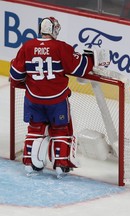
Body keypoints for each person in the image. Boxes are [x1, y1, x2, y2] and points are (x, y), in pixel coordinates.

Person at [9, 17, 94, 178]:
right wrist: (91, 59)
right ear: (54, 30)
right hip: (56, 100)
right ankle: (61, 165)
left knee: (35, 128)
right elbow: (80, 68)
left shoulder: (27, 46)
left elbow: (15, 74)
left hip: (33, 99)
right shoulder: (60, 47)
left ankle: (29, 163)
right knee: (61, 129)